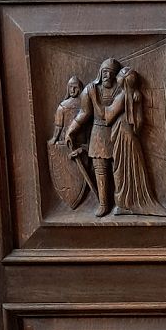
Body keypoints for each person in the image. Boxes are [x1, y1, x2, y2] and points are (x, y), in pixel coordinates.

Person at [66, 59, 122, 216]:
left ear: (116, 75)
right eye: (105, 71)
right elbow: (84, 114)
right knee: (100, 169)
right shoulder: (90, 89)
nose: (107, 75)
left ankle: (121, 203)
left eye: (111, 72)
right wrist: (70, 131)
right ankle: (104, 204)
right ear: (100, 73)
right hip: (98, 134)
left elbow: (109, 115)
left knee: (118, 169)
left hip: (116, 132)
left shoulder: (120, 90)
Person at [108, 67, 166, 216]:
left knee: (122, 167)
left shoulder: (122, 97)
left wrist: (95, 101)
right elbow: (139, 121)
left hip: (122, 135)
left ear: (121, 81)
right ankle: (131, 200)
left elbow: (108, 116)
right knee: (131, 166)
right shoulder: (135, 95)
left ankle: (124, 202)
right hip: (131, 136)